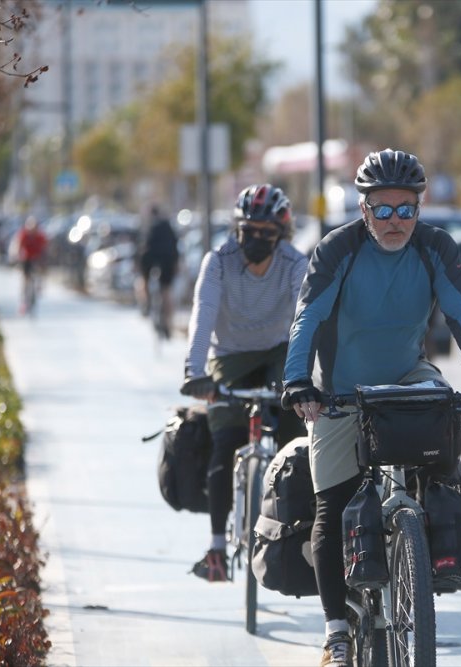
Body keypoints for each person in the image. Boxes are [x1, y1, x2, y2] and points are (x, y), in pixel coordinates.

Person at [281, 148, 461, 667]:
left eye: (406, 209)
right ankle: (337, 632)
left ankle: (429, 545)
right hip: (340, 390)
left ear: (419, 209)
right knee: (331, 505)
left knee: (444, 432)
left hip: (407, 375)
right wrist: (298, 382)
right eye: (382, 209)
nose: (395, 220)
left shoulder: (435, 247)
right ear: (364, 210)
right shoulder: (338, 249)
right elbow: (307, 320)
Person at [180, 184, 309, 582]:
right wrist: (194, 373)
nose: (255, 239)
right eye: (247, 231)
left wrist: (308, 377)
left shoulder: (294, 263)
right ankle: (217, 547)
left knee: (294, 440)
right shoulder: (218, 262)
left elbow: (306, 317)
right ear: (236, 229)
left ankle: (297, 534)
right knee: (225, 442)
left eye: (266, 233)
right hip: (229, 357)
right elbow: (202, 316)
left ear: (282, 234)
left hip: (278, 353)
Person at [137, 205, 180, 339]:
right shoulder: (168, 225)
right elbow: (175, 244)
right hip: (168, 258)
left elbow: (143, 246)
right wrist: (176, 263)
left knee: (143, 280)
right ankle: (168, 323)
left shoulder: (149, 226)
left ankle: (146, 303)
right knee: (166, 290)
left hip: (151, 257)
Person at [15, 216, 48, 314]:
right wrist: (18, 256)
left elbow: (44, 248)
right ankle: (24, 300)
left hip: (37, 259)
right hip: (27, 259)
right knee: (25, 279)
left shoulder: (40, 236)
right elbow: (19, 247)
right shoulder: (24, 235)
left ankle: (39, 287)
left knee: (40, 274)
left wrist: (44, 259)